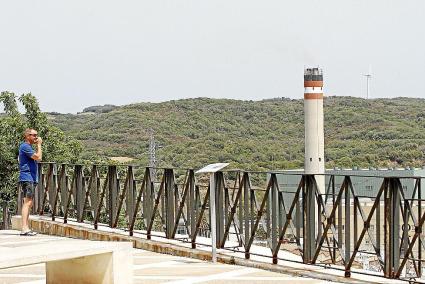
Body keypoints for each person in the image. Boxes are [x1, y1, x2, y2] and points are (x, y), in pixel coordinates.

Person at [18, 128, 42, 236]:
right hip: (27, 178)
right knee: (27, 203)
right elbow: (38, 157)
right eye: (34, 135)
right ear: (27, 136)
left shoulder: (27, 147)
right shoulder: (25, 147)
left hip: (30, 178)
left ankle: (26, 227)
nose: (36, 137)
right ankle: (24, 228)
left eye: (36, 135)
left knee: (28, 203)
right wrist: (39, 145)